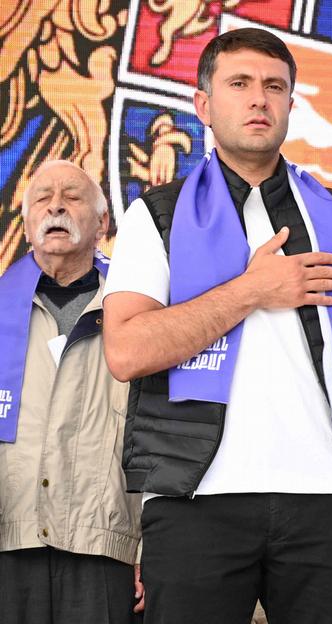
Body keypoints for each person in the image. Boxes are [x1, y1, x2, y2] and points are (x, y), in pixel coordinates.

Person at [101, 28, 332, 624]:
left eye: (275, 87)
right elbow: (126, 351)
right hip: (195, 501)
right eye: (238, 84)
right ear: (203, 104)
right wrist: (251, 291)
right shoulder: (155, 215)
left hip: (331, 500)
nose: (259, 99)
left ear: (293, 104)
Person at [0, 160, 144, 623]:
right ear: (24, 225)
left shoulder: (140, 314)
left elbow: (157, 437)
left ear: (103, 222)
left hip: (104, 543)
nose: (56, 206)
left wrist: (148, 544)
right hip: (8, 540)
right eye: (42, 198)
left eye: (73, 196)